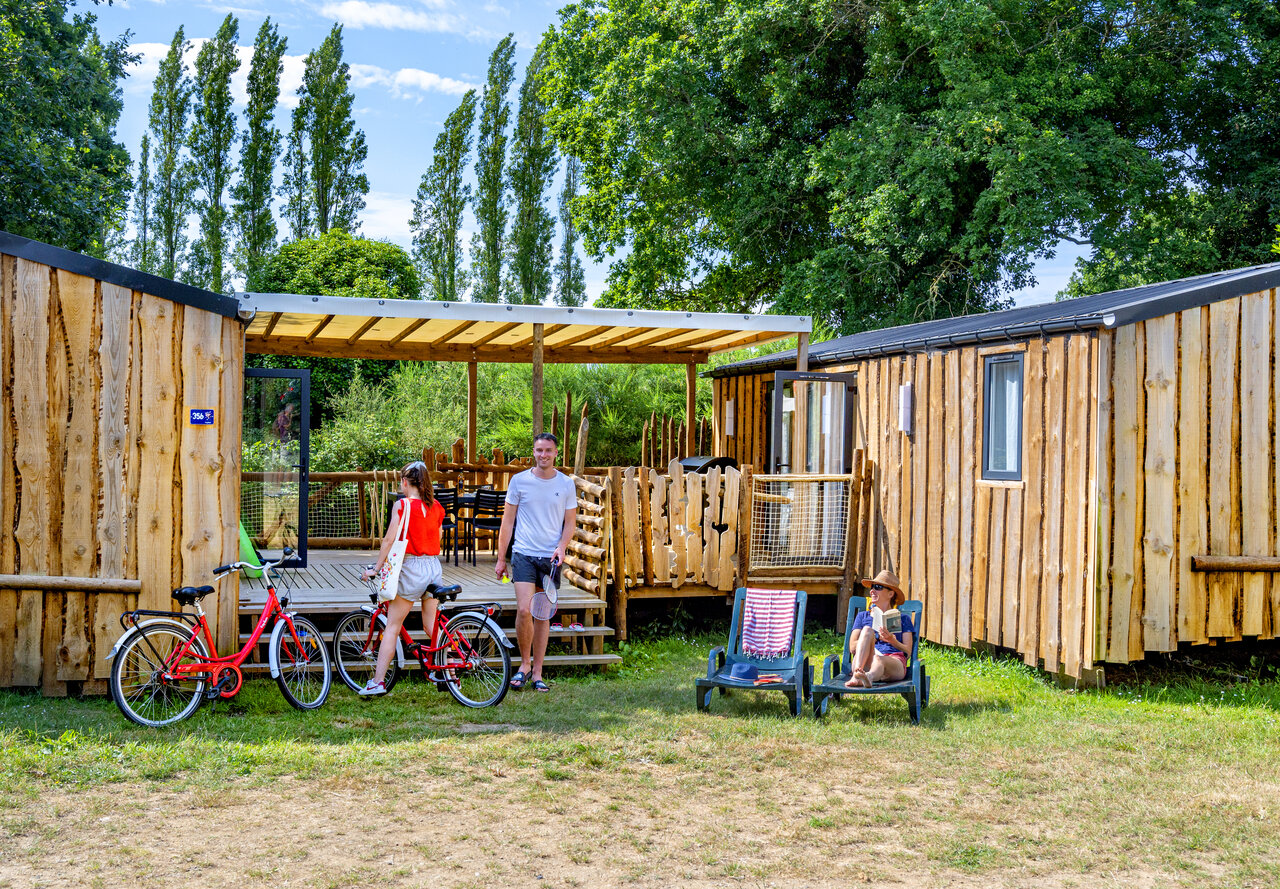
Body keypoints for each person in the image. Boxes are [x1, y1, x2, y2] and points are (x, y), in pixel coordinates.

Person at [494, 433, 577, 692]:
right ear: (533, 451)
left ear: (555, 453)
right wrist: (500, 558)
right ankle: (524, 665)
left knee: (542, 614)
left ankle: (538, 671)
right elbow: (507, 522)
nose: (543, 455)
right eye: (539, 450)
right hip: (523, 553)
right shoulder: (519, 481)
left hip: (550, 558)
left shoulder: (565, 484)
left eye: (548, 450)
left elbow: (570, 523)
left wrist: (562, 548)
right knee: (523, 610)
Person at [357, 461, 446, 696]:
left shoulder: (402, 506)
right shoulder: (437, 506)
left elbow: (388, 540)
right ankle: (449, 672)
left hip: (411, 569)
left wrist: (376, 568)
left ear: (405, 483)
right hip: (433, 568)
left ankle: (377, 682)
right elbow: (438, 538)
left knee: (393, 626)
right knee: (431, 626)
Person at [844, 569, 915, 689]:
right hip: (866, 659)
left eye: (877, 587)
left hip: (893, 662)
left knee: (879, 660)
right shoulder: (863, 616)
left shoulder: (903, 619)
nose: (872, 591)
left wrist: (893, 641)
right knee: (867, 630)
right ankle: (857, 676)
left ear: (890, 594)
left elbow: (908, 651)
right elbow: (852, 647)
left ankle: (868, 678)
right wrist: (875, 637)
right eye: (872, 587)